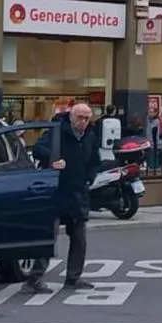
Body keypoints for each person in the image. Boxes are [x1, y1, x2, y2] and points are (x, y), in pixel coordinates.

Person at [26, 103, 99, 292]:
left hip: (77, 192)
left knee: (79, 238)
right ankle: (34, 278)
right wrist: (53, 159)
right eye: (79, 117)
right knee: (49, 236)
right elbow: (38, 149)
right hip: (56, 191)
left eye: (86, 118)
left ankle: (74, 278)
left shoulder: (89, 136)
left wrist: (89, 178)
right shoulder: (58, 131)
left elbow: (94, 161)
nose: (83, 121)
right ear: (71, 116)